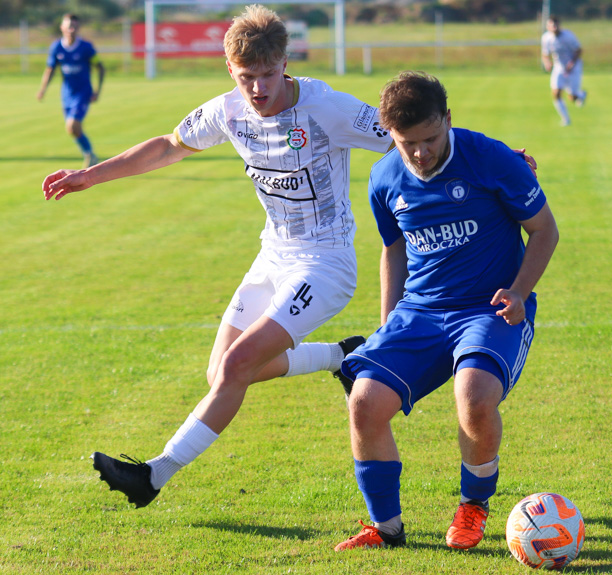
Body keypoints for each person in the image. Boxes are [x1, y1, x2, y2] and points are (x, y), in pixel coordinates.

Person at [41, 4, 395, 509]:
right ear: (230, 69)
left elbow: (405, 133)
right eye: (247, 77)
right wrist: (90, 174)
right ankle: (344, 356)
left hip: (324, 263)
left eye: (268, 75)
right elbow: (167, 146)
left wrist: (493, 157)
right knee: (222, 374)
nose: (259, 89)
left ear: (285, 63)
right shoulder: (227, 111)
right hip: (273, 255)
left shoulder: (327, 108)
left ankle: (153, 475)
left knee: (236, 365)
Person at [333, 71, 559, 552]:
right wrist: (387, 321)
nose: (419, 153)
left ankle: (473, 506)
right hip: (418, 312)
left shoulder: (492, 159)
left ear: (448, 120)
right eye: (405, 143)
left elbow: (544, 230)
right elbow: (393, 250)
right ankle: (386, 528)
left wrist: (519, 292)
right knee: (365, 403)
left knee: (475, 397)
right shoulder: (383, 176)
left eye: (430, 138)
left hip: (489, 309)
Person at [37, 13, 105, 168]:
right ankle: (90, 154)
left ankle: (89, 155)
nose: (72, 29)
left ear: (78, 28)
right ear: (62, 28)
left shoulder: (86, 47)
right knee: (73, 130)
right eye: (69, 26)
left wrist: (97, 90)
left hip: (83, 93)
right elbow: (50, 69)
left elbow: (100, 68)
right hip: (67, 94)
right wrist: (42, 90)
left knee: (72, 125)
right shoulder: (56, 47)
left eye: (74, 26)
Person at [541, 15, 586, 126]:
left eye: (555, 25)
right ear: (547, 26)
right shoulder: (546, 38)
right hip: (559, 67)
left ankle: (580, 95)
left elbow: (579, 50)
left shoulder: (568, 36)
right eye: (551, 25)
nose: (554, 27)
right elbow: (545, 54)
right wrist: (547, 63)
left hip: (573, 67)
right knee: (556, 93)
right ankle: (566, 119)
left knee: (572, 97)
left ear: (559, 25)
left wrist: (572, 63)